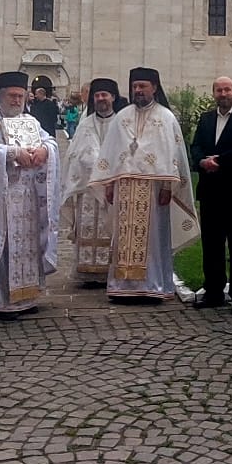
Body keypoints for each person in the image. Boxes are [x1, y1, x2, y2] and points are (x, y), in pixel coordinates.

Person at [89, 67, 200, 302]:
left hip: (154, 190)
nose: (138, 91)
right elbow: (111, 152)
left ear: (155, 88)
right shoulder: (122, 116)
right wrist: (108, 184)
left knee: (152, 240)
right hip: (124, 189)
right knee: (123, 238)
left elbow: (174, 155)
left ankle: (154, 285)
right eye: (135, 87)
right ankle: (122, 286)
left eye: (143, 86)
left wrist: (169, 188)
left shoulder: (166, 118)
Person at [0, 72, 61, 319]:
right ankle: (0, 302)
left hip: (28, 200)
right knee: (3, 246)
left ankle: (27, 297)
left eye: (21, 95)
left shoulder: (30, 121)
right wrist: (12, 153)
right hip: (1, 199)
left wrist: (44, 150)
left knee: (27, 245)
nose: (17, 100)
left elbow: (49, 141)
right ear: (0, 96)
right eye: (12, 95)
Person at [190, 76, 232, 315]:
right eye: (218, 90)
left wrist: (218, 162)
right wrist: (201, 161)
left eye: (227, 89)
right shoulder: (206, 119)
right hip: (210, 190)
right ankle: (214, 292)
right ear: (214, 94)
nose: (223, 93)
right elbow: (196, 145)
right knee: (212, 243)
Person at [61, 78, 123, 286]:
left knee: (110, 227)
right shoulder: (85, 123)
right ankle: (88, 272)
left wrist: (108, 174)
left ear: (113, 97)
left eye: (104, 95)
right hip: (88, 187)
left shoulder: (122, 122)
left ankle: (109, 270)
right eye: (97, 96)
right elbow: (76, 153)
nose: (101, 99)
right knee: (89, 227)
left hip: (114, 185)